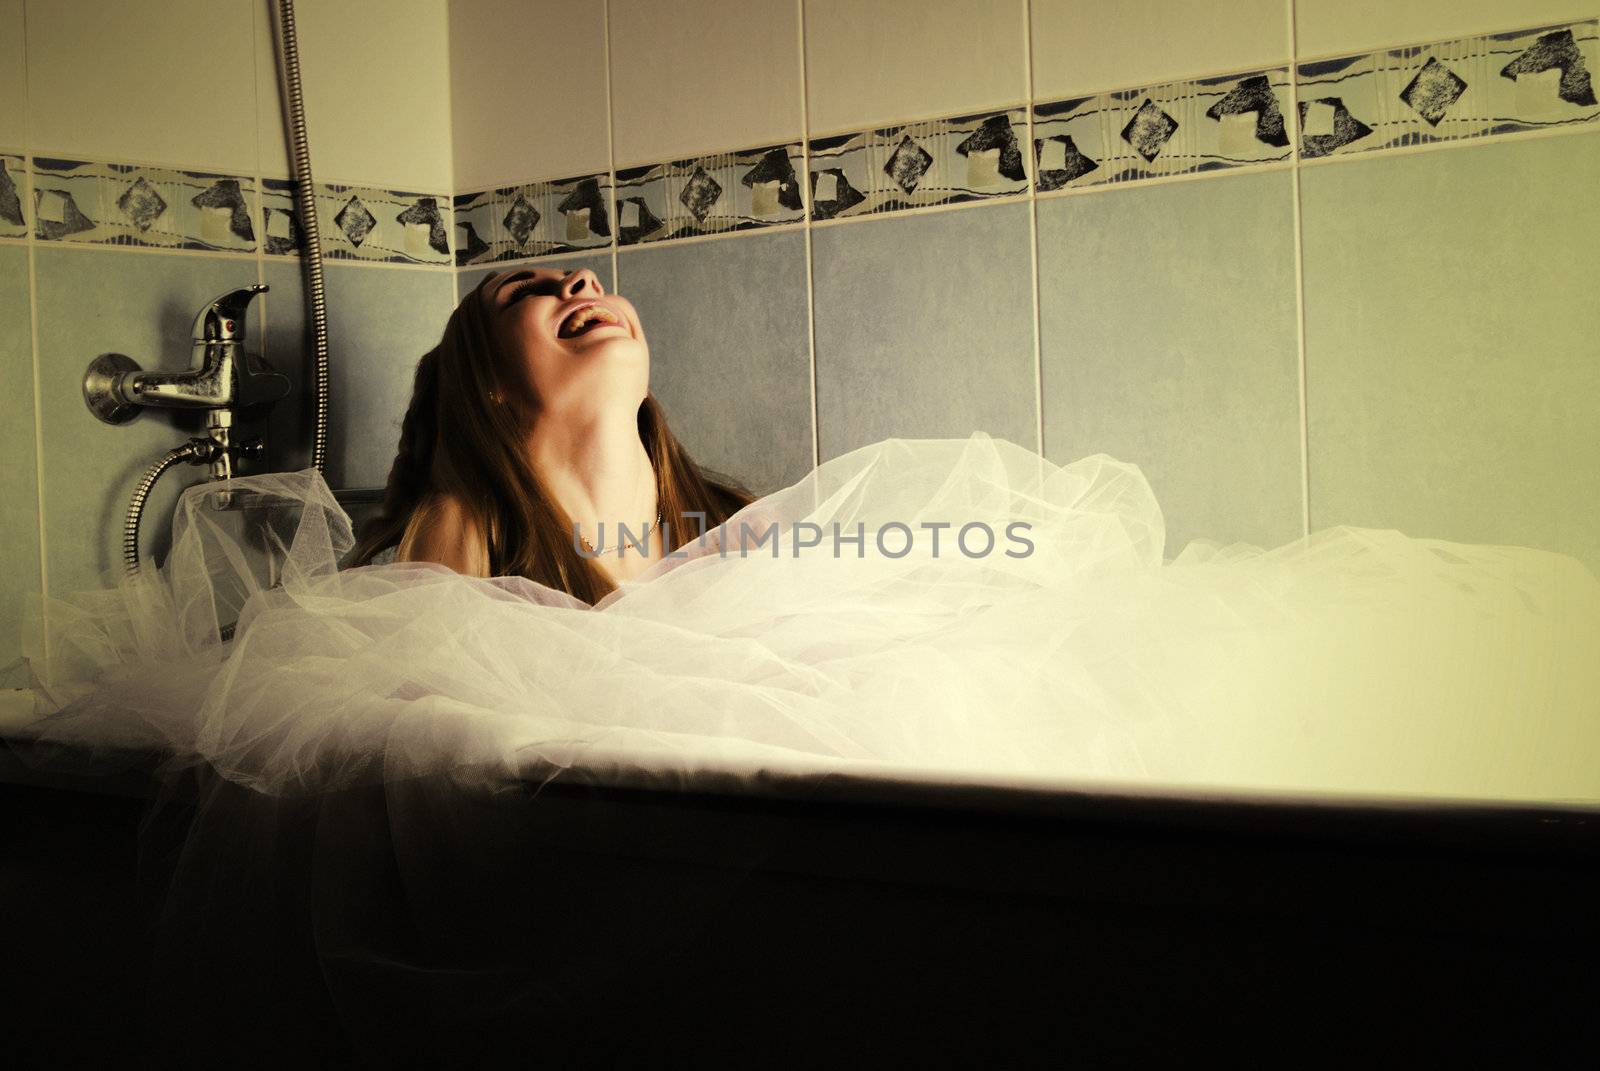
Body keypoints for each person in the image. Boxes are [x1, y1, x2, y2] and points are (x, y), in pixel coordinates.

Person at [346, 267, 753, 600]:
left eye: (598, 285)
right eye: (524, 293)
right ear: (489, 380)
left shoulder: (737, 523)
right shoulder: (466, 532)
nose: (587, 279)